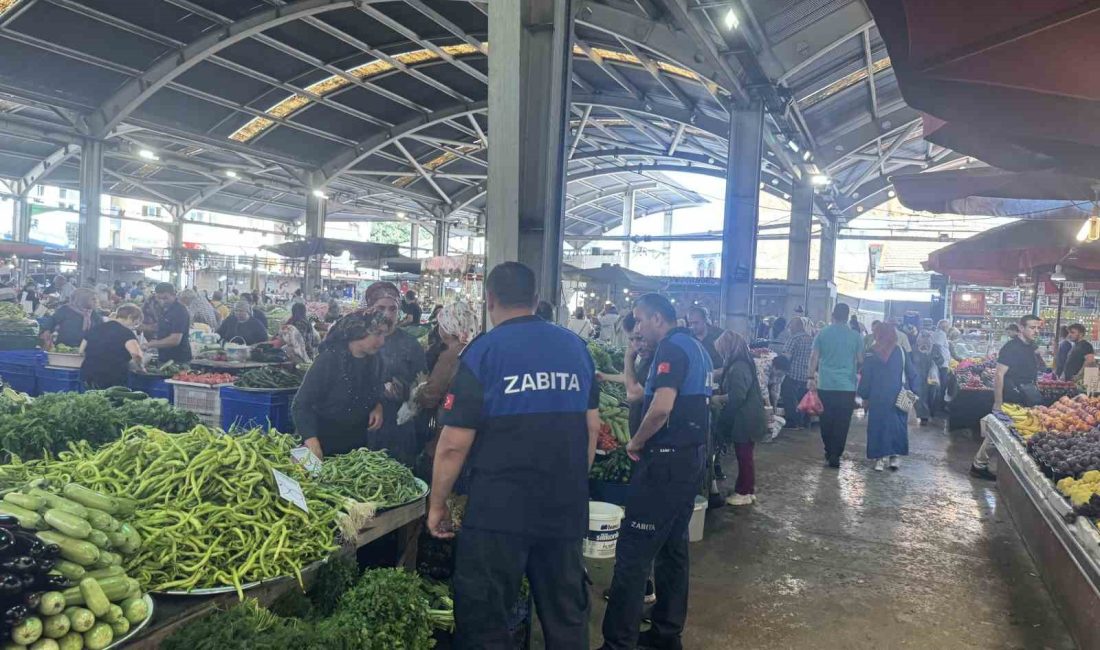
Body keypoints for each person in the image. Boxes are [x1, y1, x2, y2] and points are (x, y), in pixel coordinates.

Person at [428, 262, 599, 649]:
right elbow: (591, 429)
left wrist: (437, 505)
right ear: (536, 299)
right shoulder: (575, 348)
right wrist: (572, 483)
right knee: (566, 615)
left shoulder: (482, 353)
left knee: (486, 619)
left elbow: (454, 443)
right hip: (564, 508)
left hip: (499, 511)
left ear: (490, 300)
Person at [601, 293, 712, 650]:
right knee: (673, 551)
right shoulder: (696, 348)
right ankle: (666, 634)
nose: (637, 328)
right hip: (688, 461)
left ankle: (618, 642)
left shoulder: (670, 349)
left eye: (639, 320)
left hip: (664, 463)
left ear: (657, 319)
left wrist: (635, 442)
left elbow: (662, 408)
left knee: (633, 553)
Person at [292, 311, 387, 458]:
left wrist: (377, 406)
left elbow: (378, 388)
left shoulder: (376, 360)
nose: (382, 341)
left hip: (356, 445)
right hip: (322, 442)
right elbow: (301, 405)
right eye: (378, 334)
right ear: (358, 332)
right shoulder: (329, 360)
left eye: (384, 335)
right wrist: (311, 439)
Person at [971, 315, 1044, 481]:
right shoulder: (1011, 348)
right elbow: (999, 374)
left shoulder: (1030, 346)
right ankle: (979, 464)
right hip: (1011, 397)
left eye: (1038, 328)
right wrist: (998, 402)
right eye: (1032, 327)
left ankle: (990, 466)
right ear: (1021, 328)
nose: (1036, 331)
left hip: (1026, 396)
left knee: (1015, 433)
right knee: (1000, 431)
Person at [364, 282, 427, 467]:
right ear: (369, 309)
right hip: (365, 423)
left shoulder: (410, 344)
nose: (387, 314)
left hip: (399, 427)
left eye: (393, 309)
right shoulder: (360, 340)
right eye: (381, 308)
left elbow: (422, 384)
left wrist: (405, 390)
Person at [713, 330, 767, 505]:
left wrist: (718, 399)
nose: (721, 354)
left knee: (744, 456)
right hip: (749, 417)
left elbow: (737, 395)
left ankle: (743, 492)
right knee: (746, 456)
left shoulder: (739, 367)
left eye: (722, 350)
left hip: (745, 419)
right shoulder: (743, 363)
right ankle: (748, 489)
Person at [807, 303, 864, 468]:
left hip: (826, 384)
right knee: (842, 421)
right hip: (847, 387)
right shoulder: (855, 336)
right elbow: (861, 360)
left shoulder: (822, 334)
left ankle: (828, 449)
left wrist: (811, 376)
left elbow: (814, 357)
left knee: (826, 419)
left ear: (833, 315)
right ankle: (835, 454)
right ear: (847, 317)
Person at [859, 323, 918, 471]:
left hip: (877, 396)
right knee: (897, 426)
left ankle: (880, 459)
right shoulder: (901, 351)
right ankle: (894, 458)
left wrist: (864, 394)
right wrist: (915, 391)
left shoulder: (871, 352)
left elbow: (866, 377)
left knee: (878, 425)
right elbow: (912, 373)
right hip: (897, 395)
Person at [79, 304, 144, 389]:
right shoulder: (126, 333)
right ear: (130, 317)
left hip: (88, 372)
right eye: (135, 323)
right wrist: (141, 367)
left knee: (92, 399)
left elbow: (81, 350)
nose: (134, 327)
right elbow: (136, 354)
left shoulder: (96, 328)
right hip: (112, 375)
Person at [143, 283, 193, 365]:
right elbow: (162, 326)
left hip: (178, 359)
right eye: (159, 298)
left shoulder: (179, 311)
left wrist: (151, 344)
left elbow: (175, 340)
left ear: (174, 295)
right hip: (164, 357)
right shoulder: (164, 308)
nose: (162, 301)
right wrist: (140, 327)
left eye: (165, 298)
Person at [780, 317, 813, 429]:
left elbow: (786, 358)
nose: (790, 328)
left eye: (792, 325)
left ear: (799, 326)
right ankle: (806, 422)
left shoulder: (793, 339)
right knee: (804, 399)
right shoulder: (811, 339)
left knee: (789, 397)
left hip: (793, 374)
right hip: (807, 375)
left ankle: (793, 422)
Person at [911, 331, 944, 426]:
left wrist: (935, 356)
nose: (925, 340)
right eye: (923, 338)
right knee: (921, 397)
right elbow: (910, 362)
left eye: (927, 338)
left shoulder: (935, 348)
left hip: (932, 378)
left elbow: (941, 362)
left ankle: (932, 413)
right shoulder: (914, 349)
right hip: (918, 378)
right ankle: (924, 416)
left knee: (932, 395)